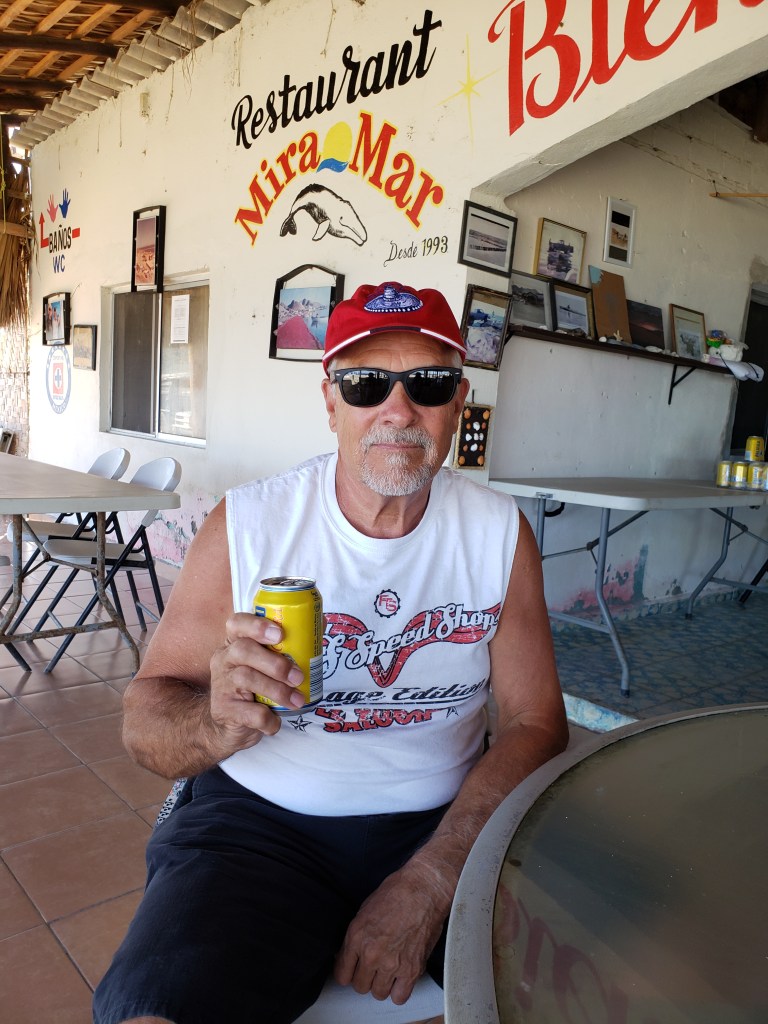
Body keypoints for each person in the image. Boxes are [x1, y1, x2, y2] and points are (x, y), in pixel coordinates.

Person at [93, 281, 568, 1024]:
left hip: (443, 821)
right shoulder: (249, 525)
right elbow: (143, 722)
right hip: (260, 828)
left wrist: (435, 875)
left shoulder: (499, 533)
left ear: (459, 400)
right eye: (367, 383)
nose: (398, 410)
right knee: (156, 1010)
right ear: (330, 401)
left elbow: (536, 722)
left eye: (428, 383)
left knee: (586, 977)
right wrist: (214, 724)